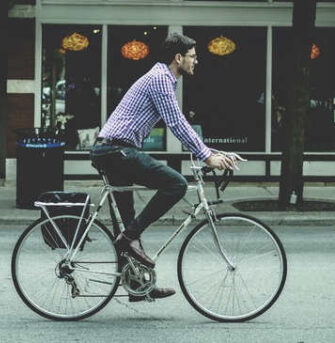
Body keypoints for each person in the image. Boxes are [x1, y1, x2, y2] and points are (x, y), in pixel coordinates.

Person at [90, 32, 240, 302]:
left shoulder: (164, 78)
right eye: (193, 56)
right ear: (178, 57)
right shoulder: (161, 79)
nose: (197, 61)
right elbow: (177, 123)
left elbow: (179, 125)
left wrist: (216, 153)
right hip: (116, 150)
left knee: (127, 220)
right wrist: (207, 156)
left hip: (116, 150)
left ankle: (137, 285)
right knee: (176, 184)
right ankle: (128, 239)